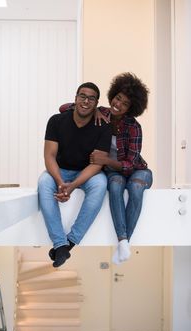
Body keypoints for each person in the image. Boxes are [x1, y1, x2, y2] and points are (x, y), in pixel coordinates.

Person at [60, 73, 153, 264]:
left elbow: (130, 164)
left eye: (125, 103)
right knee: (116, 186)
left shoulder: (134, 127)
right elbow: (63, 108)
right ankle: (123, 243)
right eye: (118, 98)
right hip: (113, 173)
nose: (118, 104)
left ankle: (123, 242)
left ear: (131, 108)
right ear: (113, 95)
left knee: (135, 187)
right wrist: (92, 110)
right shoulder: (102, 113)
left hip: (137, 170)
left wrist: (106, 160)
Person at [38, 82, 112, 268]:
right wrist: (61, 182)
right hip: (61, 170)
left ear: (96, 103)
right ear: (75, 98)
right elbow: (49, 156)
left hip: (87, 172)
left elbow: (97, 164)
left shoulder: (103, 126)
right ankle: (59, 243)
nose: (86, 101)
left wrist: (72, 186)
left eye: (91, 98)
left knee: (100, 184)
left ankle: (70, 241)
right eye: (82, 96)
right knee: (44, 181)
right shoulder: (56, 121)